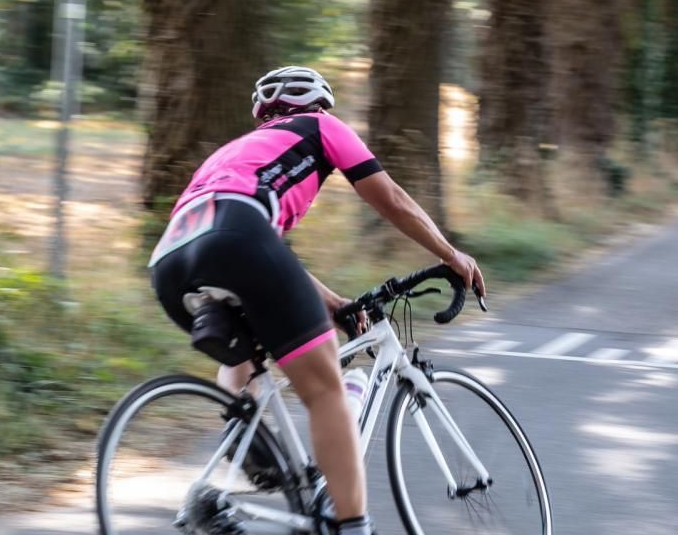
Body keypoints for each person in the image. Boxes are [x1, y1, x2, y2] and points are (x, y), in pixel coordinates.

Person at [147, 66, 486, 535]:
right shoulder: (322, 126)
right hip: (239, 240)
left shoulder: (232, 153)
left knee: (246, 355)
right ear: (318, 105)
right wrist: (451, 254)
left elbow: (258, 249)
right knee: (326, 386)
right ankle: (352, 525)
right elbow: (390, 198)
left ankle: (242, 447)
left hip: (170, 262)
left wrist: (330, 300)